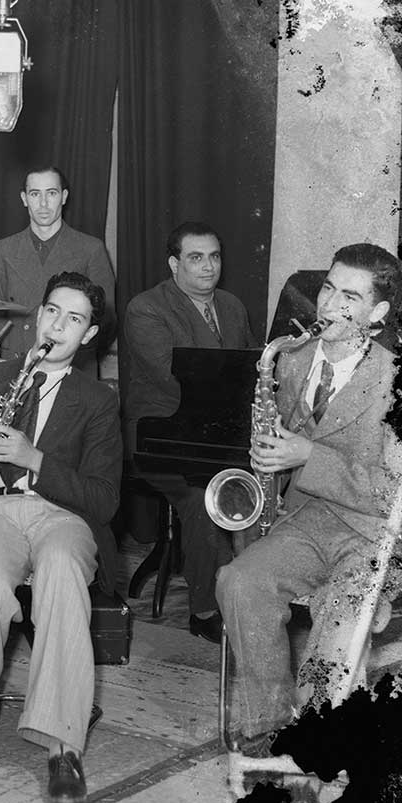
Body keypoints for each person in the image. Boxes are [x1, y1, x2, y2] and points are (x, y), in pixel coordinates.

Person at [0, 271, 122, 803]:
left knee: (60, 573)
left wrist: (34, 460)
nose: (60, 325)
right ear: (39, 316)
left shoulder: (99, 401)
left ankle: (63, 744)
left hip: (65, 516)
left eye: (75, 319)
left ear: (88, 336)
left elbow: (104, 499)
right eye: (54, 312)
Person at [216, 243, 402, 752]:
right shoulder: (292, 359)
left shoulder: (395, 382)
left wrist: (304, 455)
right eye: (327, 288)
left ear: (378, 313)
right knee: (238, 582)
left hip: (372, 536)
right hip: (304, 521)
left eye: (350, 297)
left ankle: (321, 740)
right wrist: (270, 456)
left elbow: (392, 493)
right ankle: (270, 725)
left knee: (339, 616)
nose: (328, 306)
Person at [119, 221, 256, 644]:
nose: (208, 267)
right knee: (203, 497)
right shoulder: (147, 308)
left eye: (214, 256)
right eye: (196, 258)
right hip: (160, 436)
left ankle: (253, 593)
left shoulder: (232, 306)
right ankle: (205, 609)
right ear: (174, 264)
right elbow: (171, 380)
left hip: (220, 434)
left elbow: (252, 370)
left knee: (266, 480)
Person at [0, 167, 115, 373]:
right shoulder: (3, 250)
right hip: (18, 363)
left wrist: (67, 350)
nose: (43, 203)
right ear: (24, 198)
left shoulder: (91, 249)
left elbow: (105, 318)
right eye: (35, 194)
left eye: (51, 193)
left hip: (73, 365)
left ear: (64, 197)